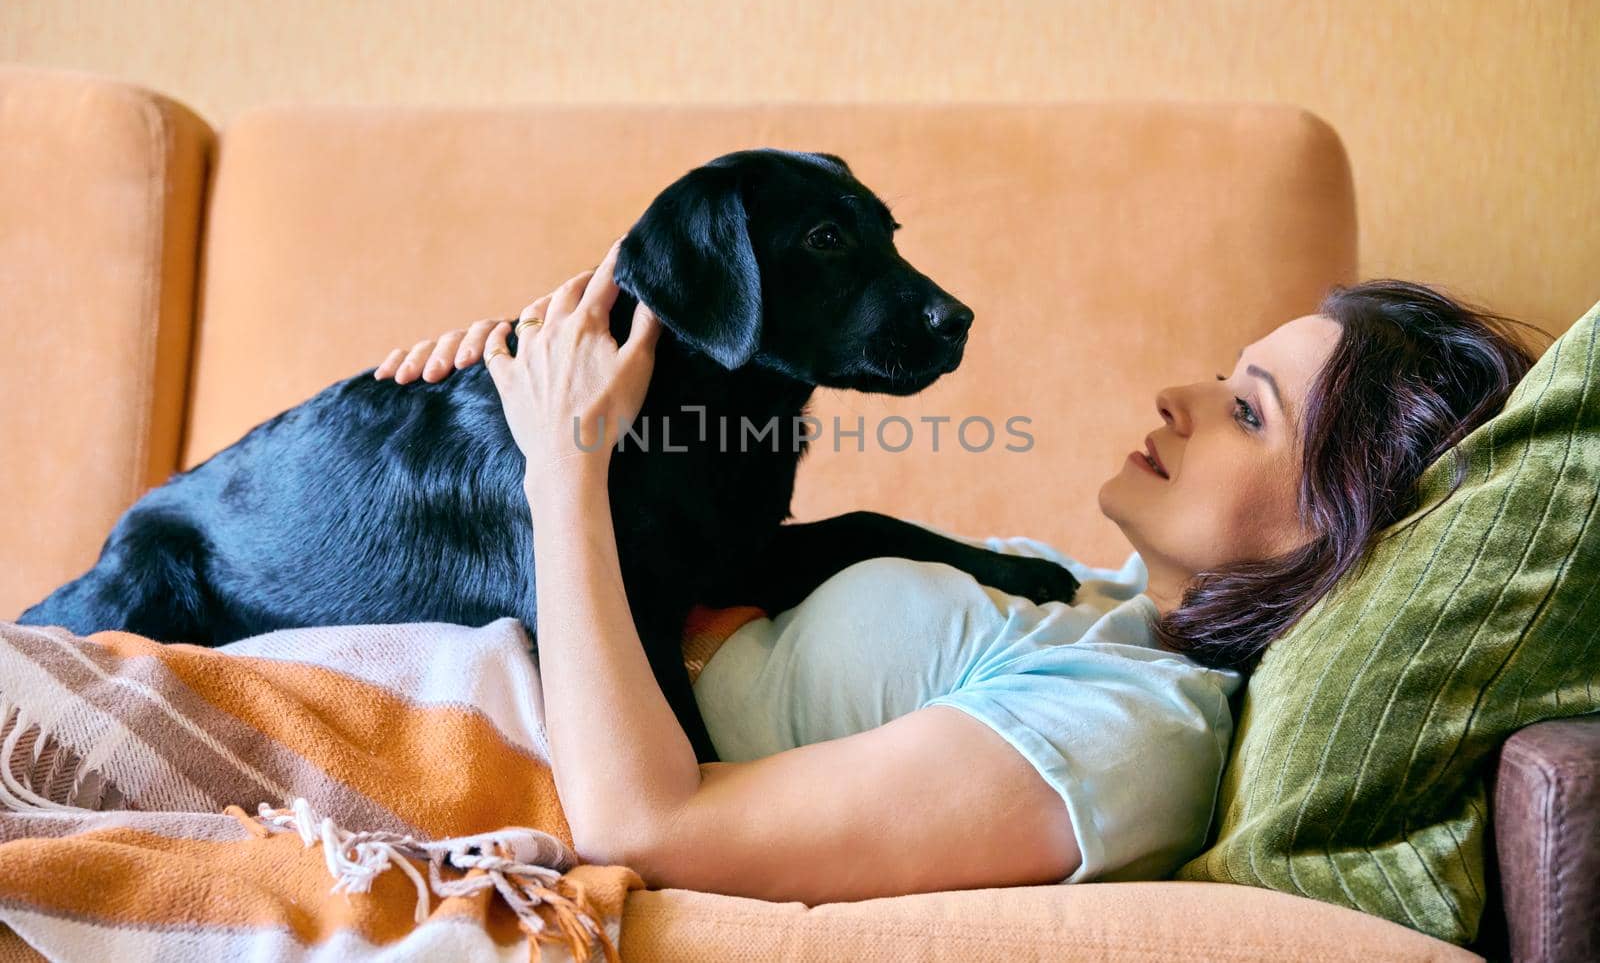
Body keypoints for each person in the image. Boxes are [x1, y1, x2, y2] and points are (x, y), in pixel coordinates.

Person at [372, 241, 1541, 905]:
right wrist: (508, 406)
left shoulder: (1131, 730)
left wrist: (558, 472)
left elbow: (647, 823)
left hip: (479, 738)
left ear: (1330, 531)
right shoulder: (1085, 602)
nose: (1176, 399)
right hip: (455, 626)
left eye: (1246, 409)